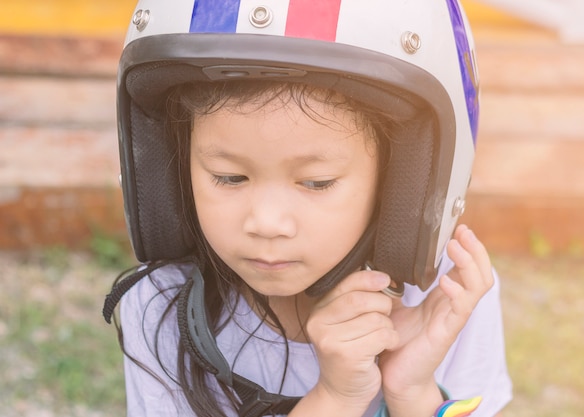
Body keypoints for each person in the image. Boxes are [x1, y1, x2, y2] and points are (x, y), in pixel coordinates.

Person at [103, 1, 513, 416]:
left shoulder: (446, 297)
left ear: (400, 182)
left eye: (316, 183)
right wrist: (336, 398)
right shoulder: (161, 304)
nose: (266, 223)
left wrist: (412, 390)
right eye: (229, 177)